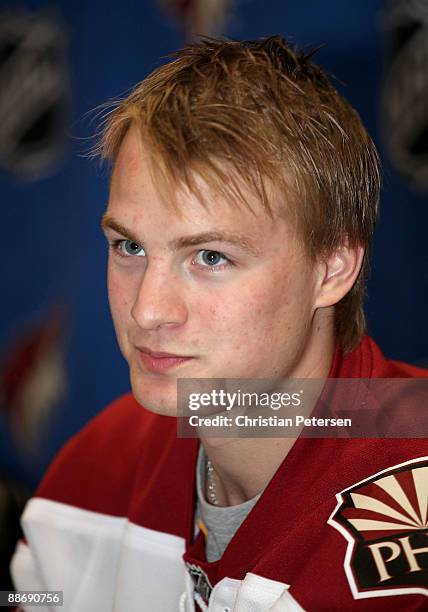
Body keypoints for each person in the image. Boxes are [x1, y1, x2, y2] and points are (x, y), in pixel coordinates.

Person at [10, 35, 428, 611]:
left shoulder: (409, 522)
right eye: (129, 246)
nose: (147, 310)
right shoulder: (94, 473)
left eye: (210, 257)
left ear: (333, 268)